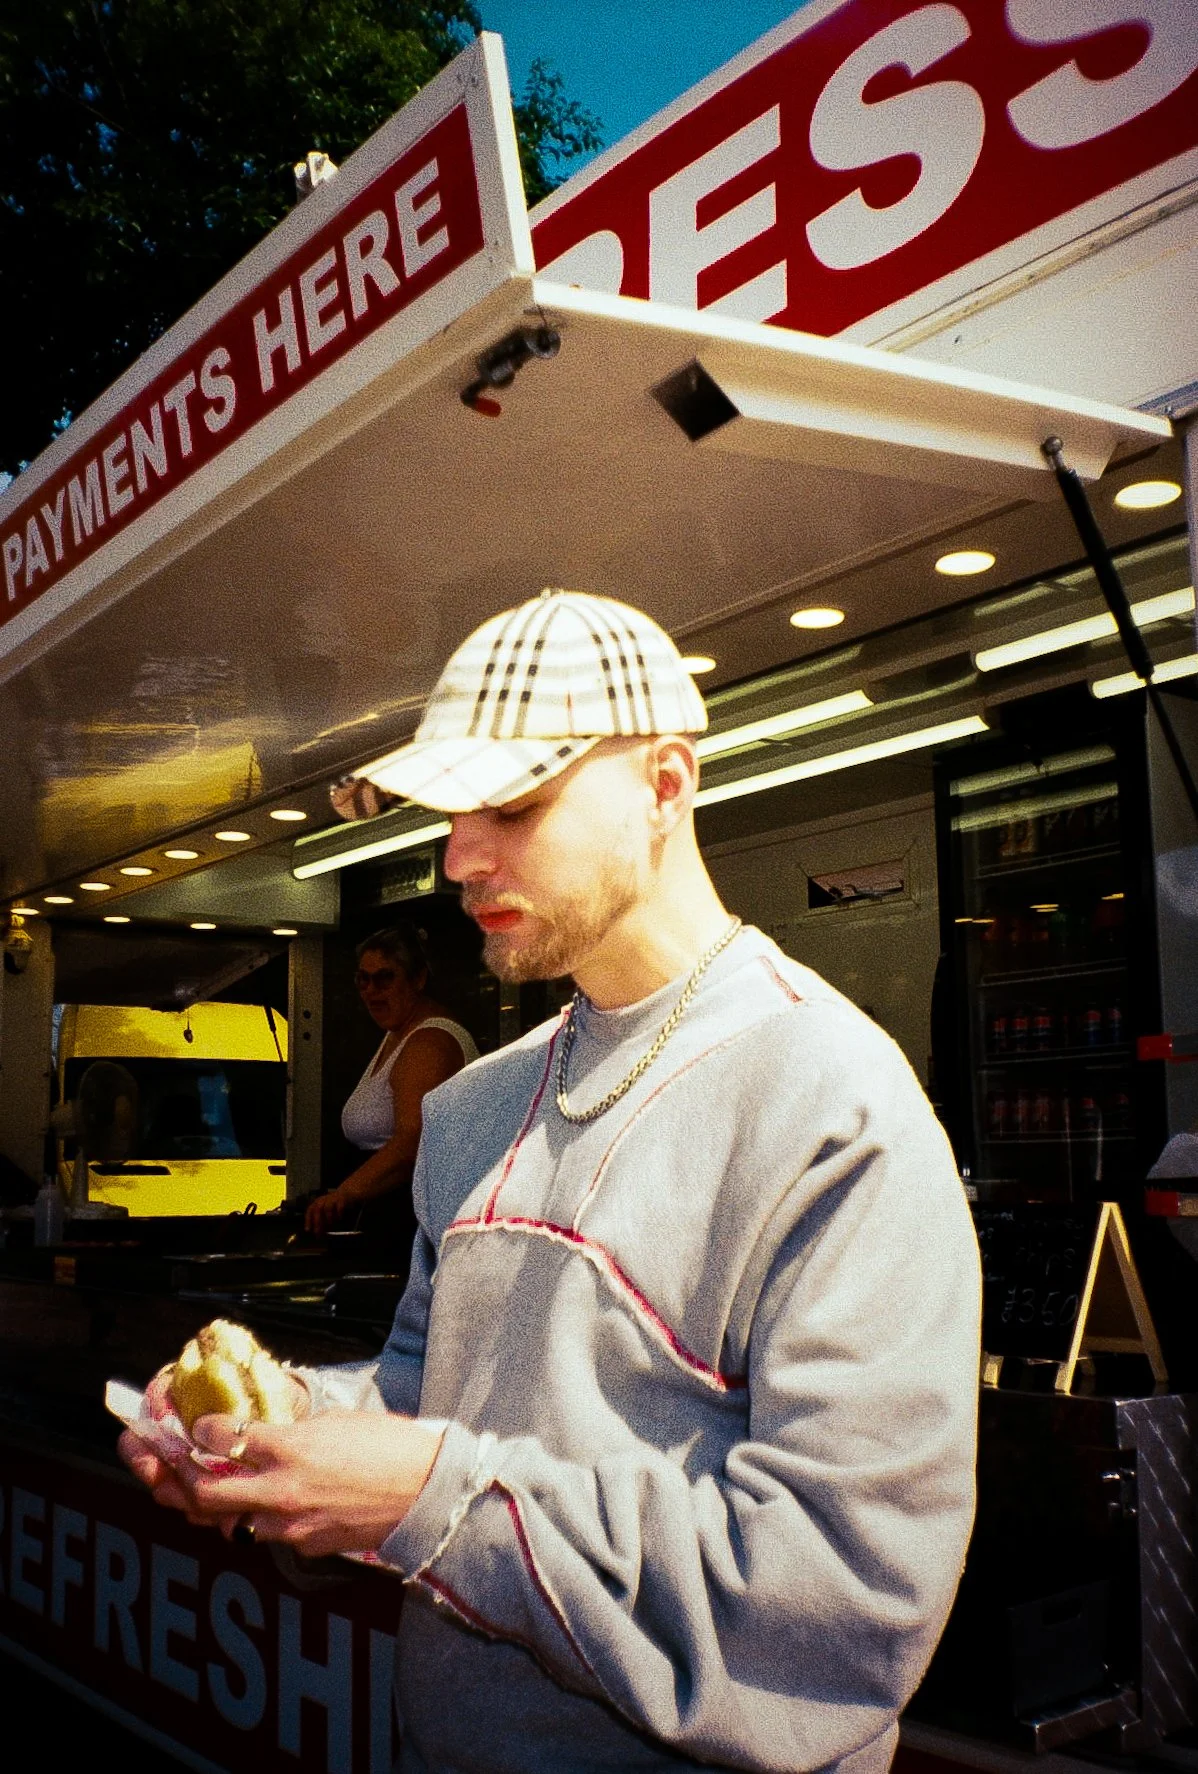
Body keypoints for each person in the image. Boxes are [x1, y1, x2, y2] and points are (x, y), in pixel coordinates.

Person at [122, 590, 981, 1774]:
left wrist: (432, 1496)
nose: (459, 855)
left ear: (666, 785)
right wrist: (278, 1435)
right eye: (452, 809)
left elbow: (836, 1611)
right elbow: (430, 1404)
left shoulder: (836, 1105)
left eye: (514, 802)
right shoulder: (478, 1106)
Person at [305, 924, 477, 1237]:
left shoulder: (430, 1042)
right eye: (363, 979)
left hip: (412, 1226)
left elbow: (412, 1142)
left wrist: (345, 1194)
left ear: (418, 978)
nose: (371, 990)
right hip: (387, 1218)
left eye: (385, 978)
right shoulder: (397, 1034)